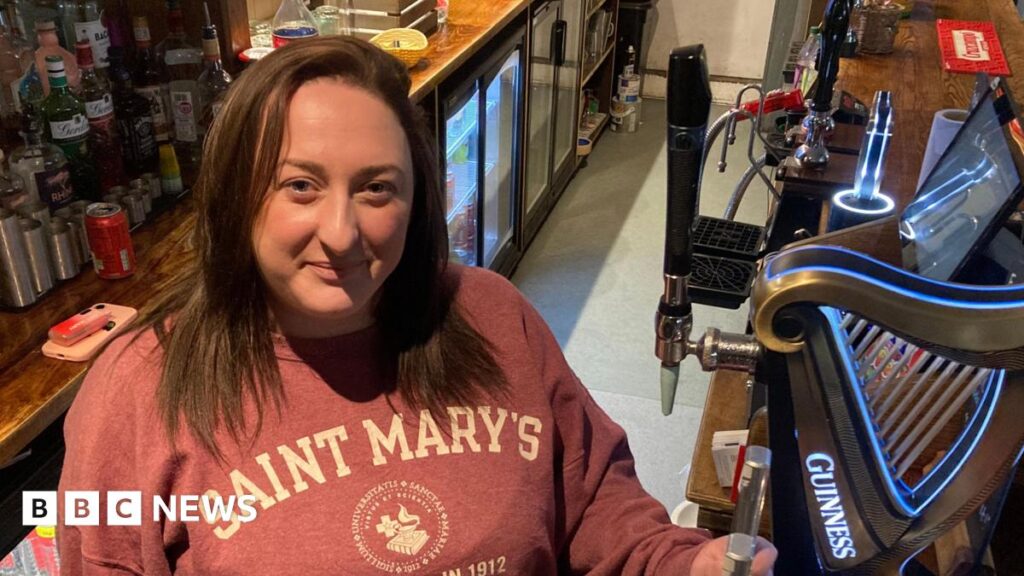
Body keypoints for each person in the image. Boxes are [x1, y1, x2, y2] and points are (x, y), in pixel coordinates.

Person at [57, 36, 776, 575]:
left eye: (377, 188)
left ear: (417, 198)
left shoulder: (491, 314)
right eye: (300, 186)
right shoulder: (139, 389)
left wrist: (686, 562)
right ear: (235, 193)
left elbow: (592, 501)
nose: (342, 234)